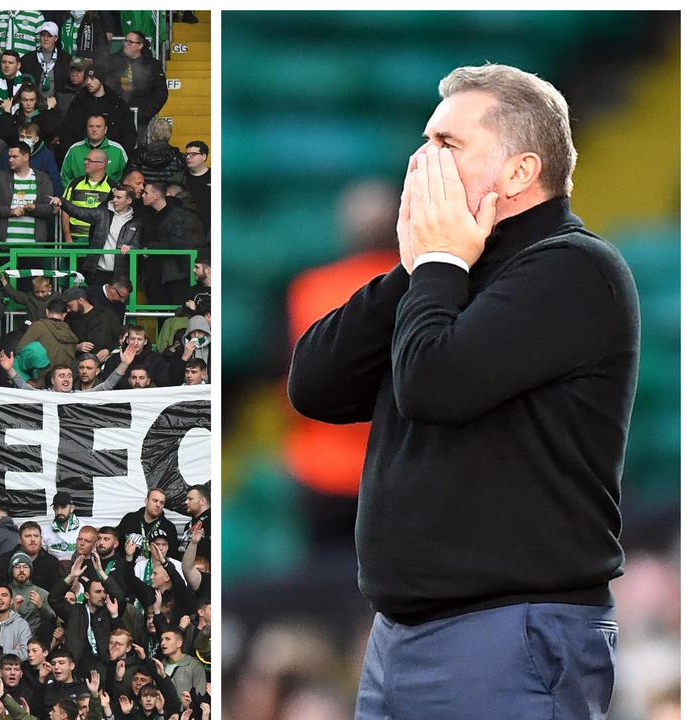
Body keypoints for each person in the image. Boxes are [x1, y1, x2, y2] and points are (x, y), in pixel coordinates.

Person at [289, 64, 639, 720]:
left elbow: (433, 385)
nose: (422, 160)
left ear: (518, 172)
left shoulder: (574, 270)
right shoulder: (446, 269)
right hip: (399, 635)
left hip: (512, 634)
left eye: (447, 144)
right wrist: (421, 264)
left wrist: (442, 263)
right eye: (424, 141)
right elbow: (315, 385)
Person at [0, 143, 55, 245]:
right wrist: (10, 211)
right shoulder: (0, 178)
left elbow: (49, 208)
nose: (10, 160)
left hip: (33, 245)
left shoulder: (42, 178)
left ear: (26, 157)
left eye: (15, 157)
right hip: (5, 245)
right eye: (9, 157)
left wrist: (34, 208)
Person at [104, 31, 168, 134]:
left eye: (130, 42)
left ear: (140, 45)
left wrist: (145, 114)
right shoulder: (113, 61)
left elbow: (160, 93)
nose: (125, 44)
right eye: (125, 41)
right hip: (115, 117)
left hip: (141, 120)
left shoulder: (152, 65)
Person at [62, 67, 137, 152]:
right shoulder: (78, 102)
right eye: (86, 78)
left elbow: (129, 133)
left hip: (110, 156)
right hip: (82, 155)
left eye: (92, 78)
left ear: (101, 80)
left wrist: (119, 155)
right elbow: (66, 131)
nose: (88, 82)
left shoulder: (116, 103)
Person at [62, 116, 128, 187]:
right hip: (78, 196)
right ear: (86, 128)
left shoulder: (118, 151)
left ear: (105, 129)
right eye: (91, 126)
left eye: (98, 126)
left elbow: (126, 178)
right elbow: (64, 178)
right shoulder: (74, 150)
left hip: (110, 196)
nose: (94, 129)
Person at [20, 22, 70, 97]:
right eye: (43, 35)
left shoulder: (66, 59)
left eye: (49, 36)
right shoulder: (27, 59)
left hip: (57, 104)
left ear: (56, 38)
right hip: (33, 104)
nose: (45, 39)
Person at [182, 141, 211, 233]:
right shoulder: (180, 177)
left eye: (193, 154)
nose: (188, 157)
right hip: (187, 228)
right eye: (186, 154)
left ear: (204, 157)